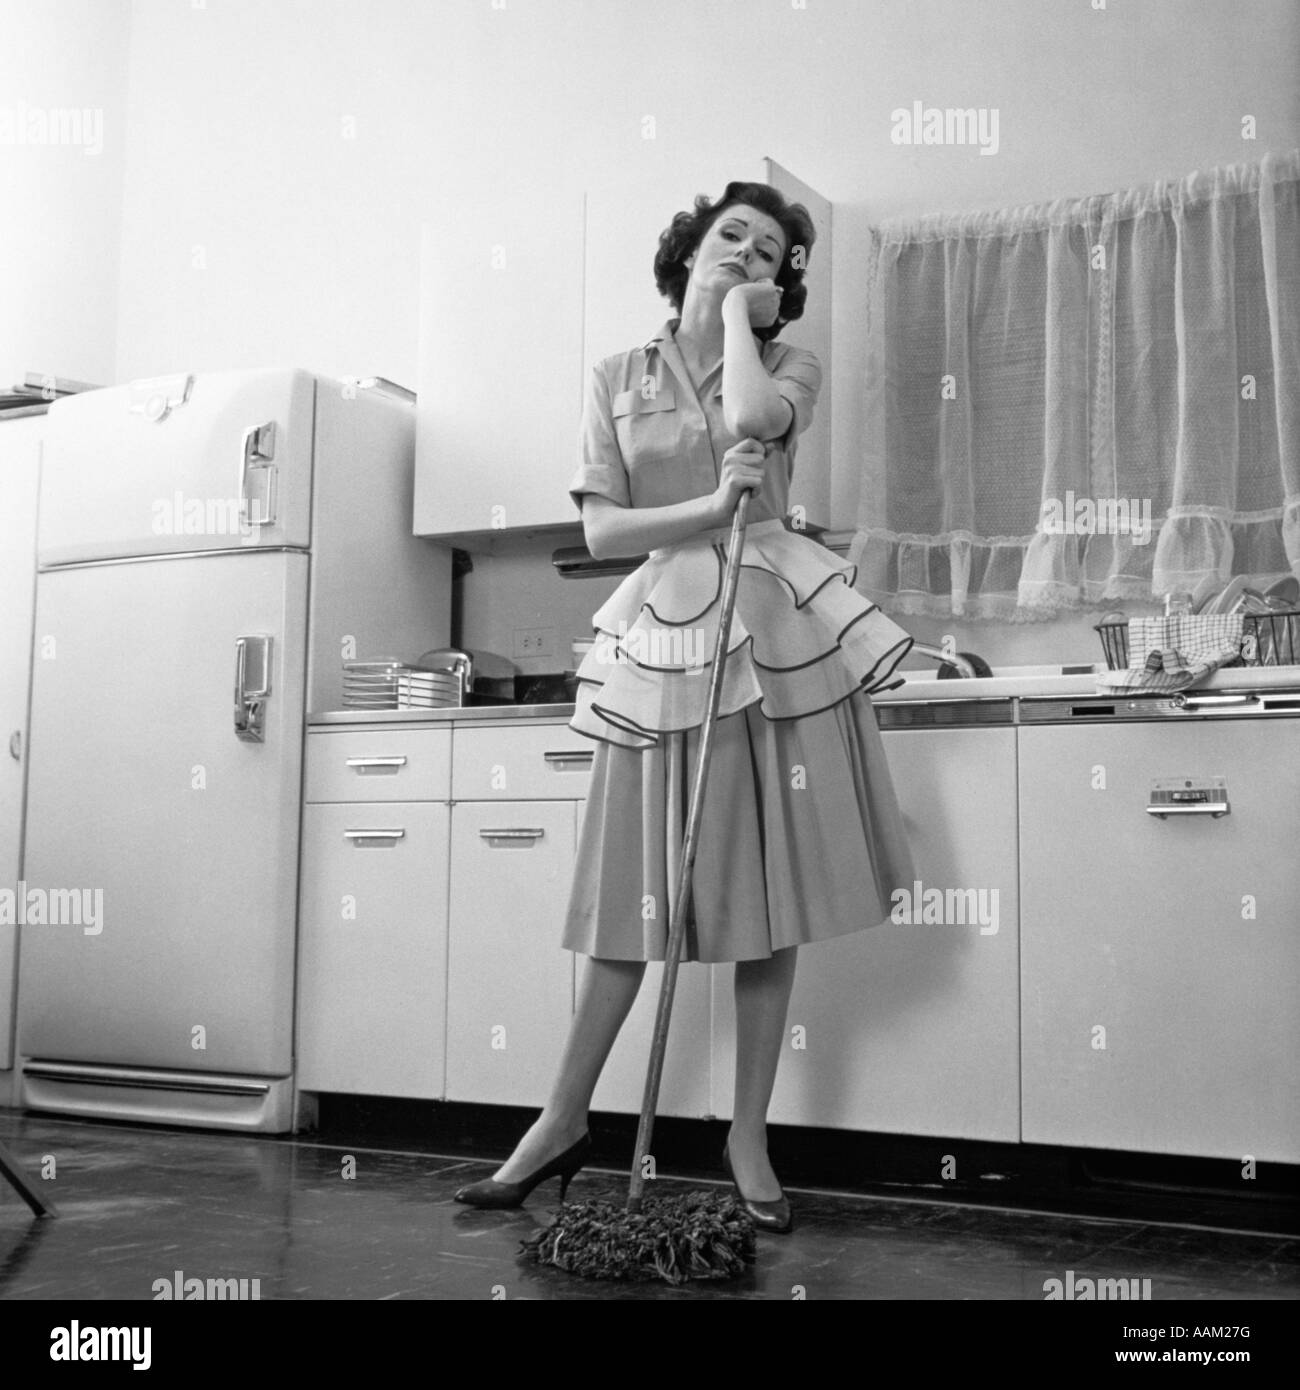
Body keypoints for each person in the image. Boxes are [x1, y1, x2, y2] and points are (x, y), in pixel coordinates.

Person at [455, 181, 916, 1233]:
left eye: (769, 253)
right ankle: (561, 1118)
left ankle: (745, 1133)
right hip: (661, 637)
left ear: (778, 285)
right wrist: (709, 506)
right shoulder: (617, 374)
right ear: (687, 247)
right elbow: (607, 529)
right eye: (729, 236)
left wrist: (737, 325)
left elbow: (757, 419)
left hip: (777, 639)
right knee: (632, 894)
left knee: (769, 900)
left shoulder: (785, 361)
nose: (748, 252)